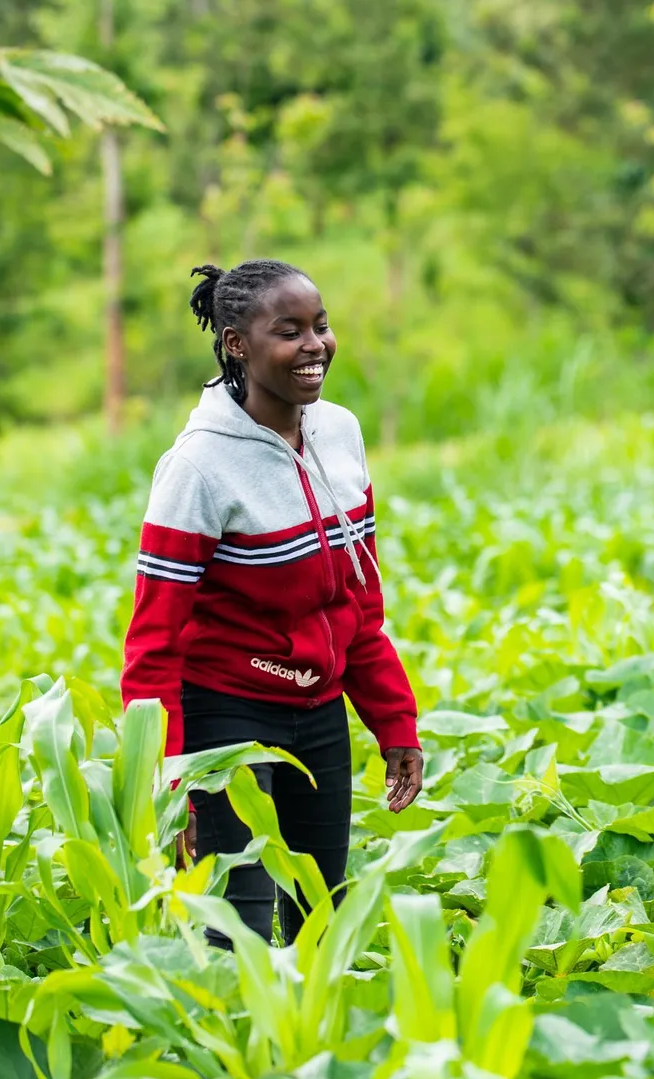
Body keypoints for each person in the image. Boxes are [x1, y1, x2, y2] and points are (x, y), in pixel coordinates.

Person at [120, 259, 424, 947]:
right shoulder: (198, 468)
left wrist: (394, 722)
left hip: (318, 712)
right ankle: (237, 1057)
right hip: (224, 717)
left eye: (320, 326)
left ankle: (314, 1054)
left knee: (324, 918)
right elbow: (153, 647)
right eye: (289, 332)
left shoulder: (339, 434)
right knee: (240, 933)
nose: (315, 345)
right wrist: (166, 782)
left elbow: (358, 605)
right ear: (236, 344)